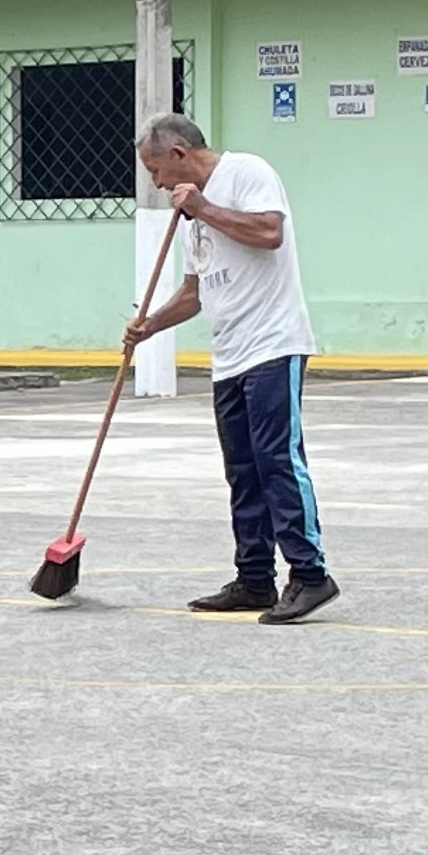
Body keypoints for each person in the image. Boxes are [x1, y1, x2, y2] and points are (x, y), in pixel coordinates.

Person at [125, 113, 338, 625]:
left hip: (273, 345)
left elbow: (269, 232)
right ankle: (255, 577)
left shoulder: (246, 173)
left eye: (156, 171)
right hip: (229, 355)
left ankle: (310, 574)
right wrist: (150, 325)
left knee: (277, 460)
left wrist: (203, 208)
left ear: (179, 154)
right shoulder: (187, 216)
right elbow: (195, 292)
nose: (157, 184)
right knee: (242, 470)